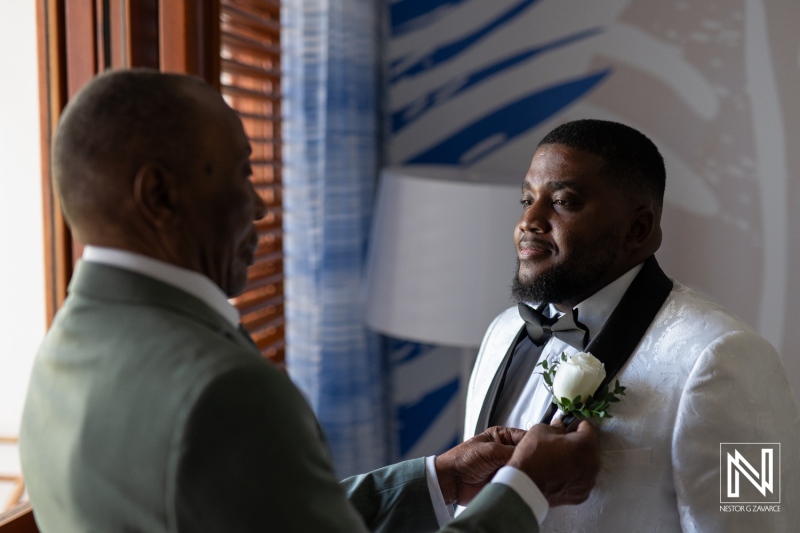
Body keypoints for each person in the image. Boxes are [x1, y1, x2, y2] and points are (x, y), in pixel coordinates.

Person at [19, 69, 600, 533]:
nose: (259, 208)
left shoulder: (63, 351)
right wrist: (525, 490)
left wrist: (435, 477)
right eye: (243, 173)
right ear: (160, 196)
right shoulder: (220, 390)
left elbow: (257, 513)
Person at [462, 119, 800, 531]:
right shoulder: (502, 332)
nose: (529, 220)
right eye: (527, 199)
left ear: (637, 229)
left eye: (564, 201)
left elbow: (758, 524)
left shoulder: (729, 359)